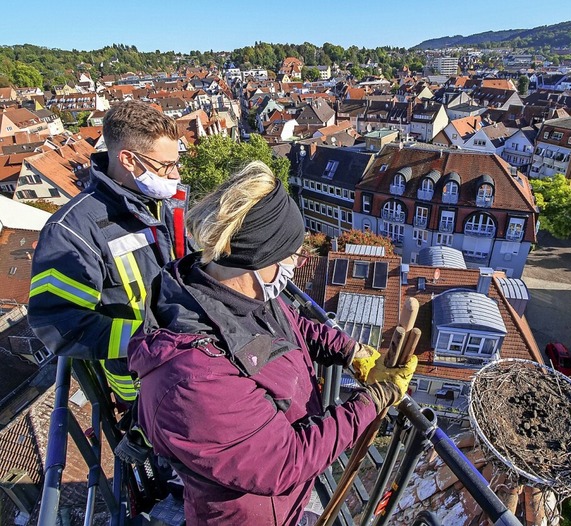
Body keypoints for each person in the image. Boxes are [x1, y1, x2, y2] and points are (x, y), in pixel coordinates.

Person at [128, 160, 417, 525]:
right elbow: (285, 461)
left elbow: (292, 327)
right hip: (248, 516)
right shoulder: (194, 379)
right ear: (258, 259)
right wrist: (371, 401)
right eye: (292, 255)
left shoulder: (228, 292)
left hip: (282, 503)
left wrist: (351, 351)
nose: (298, 263)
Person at [28, 100, 190, 405]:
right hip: (141, 383)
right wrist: (150, 339)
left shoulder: (162, 202)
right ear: (128, 159)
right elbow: (58, 324)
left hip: (184, 359)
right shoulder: (71, 232)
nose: (175, 174)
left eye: (176, 162)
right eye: (165, 166)